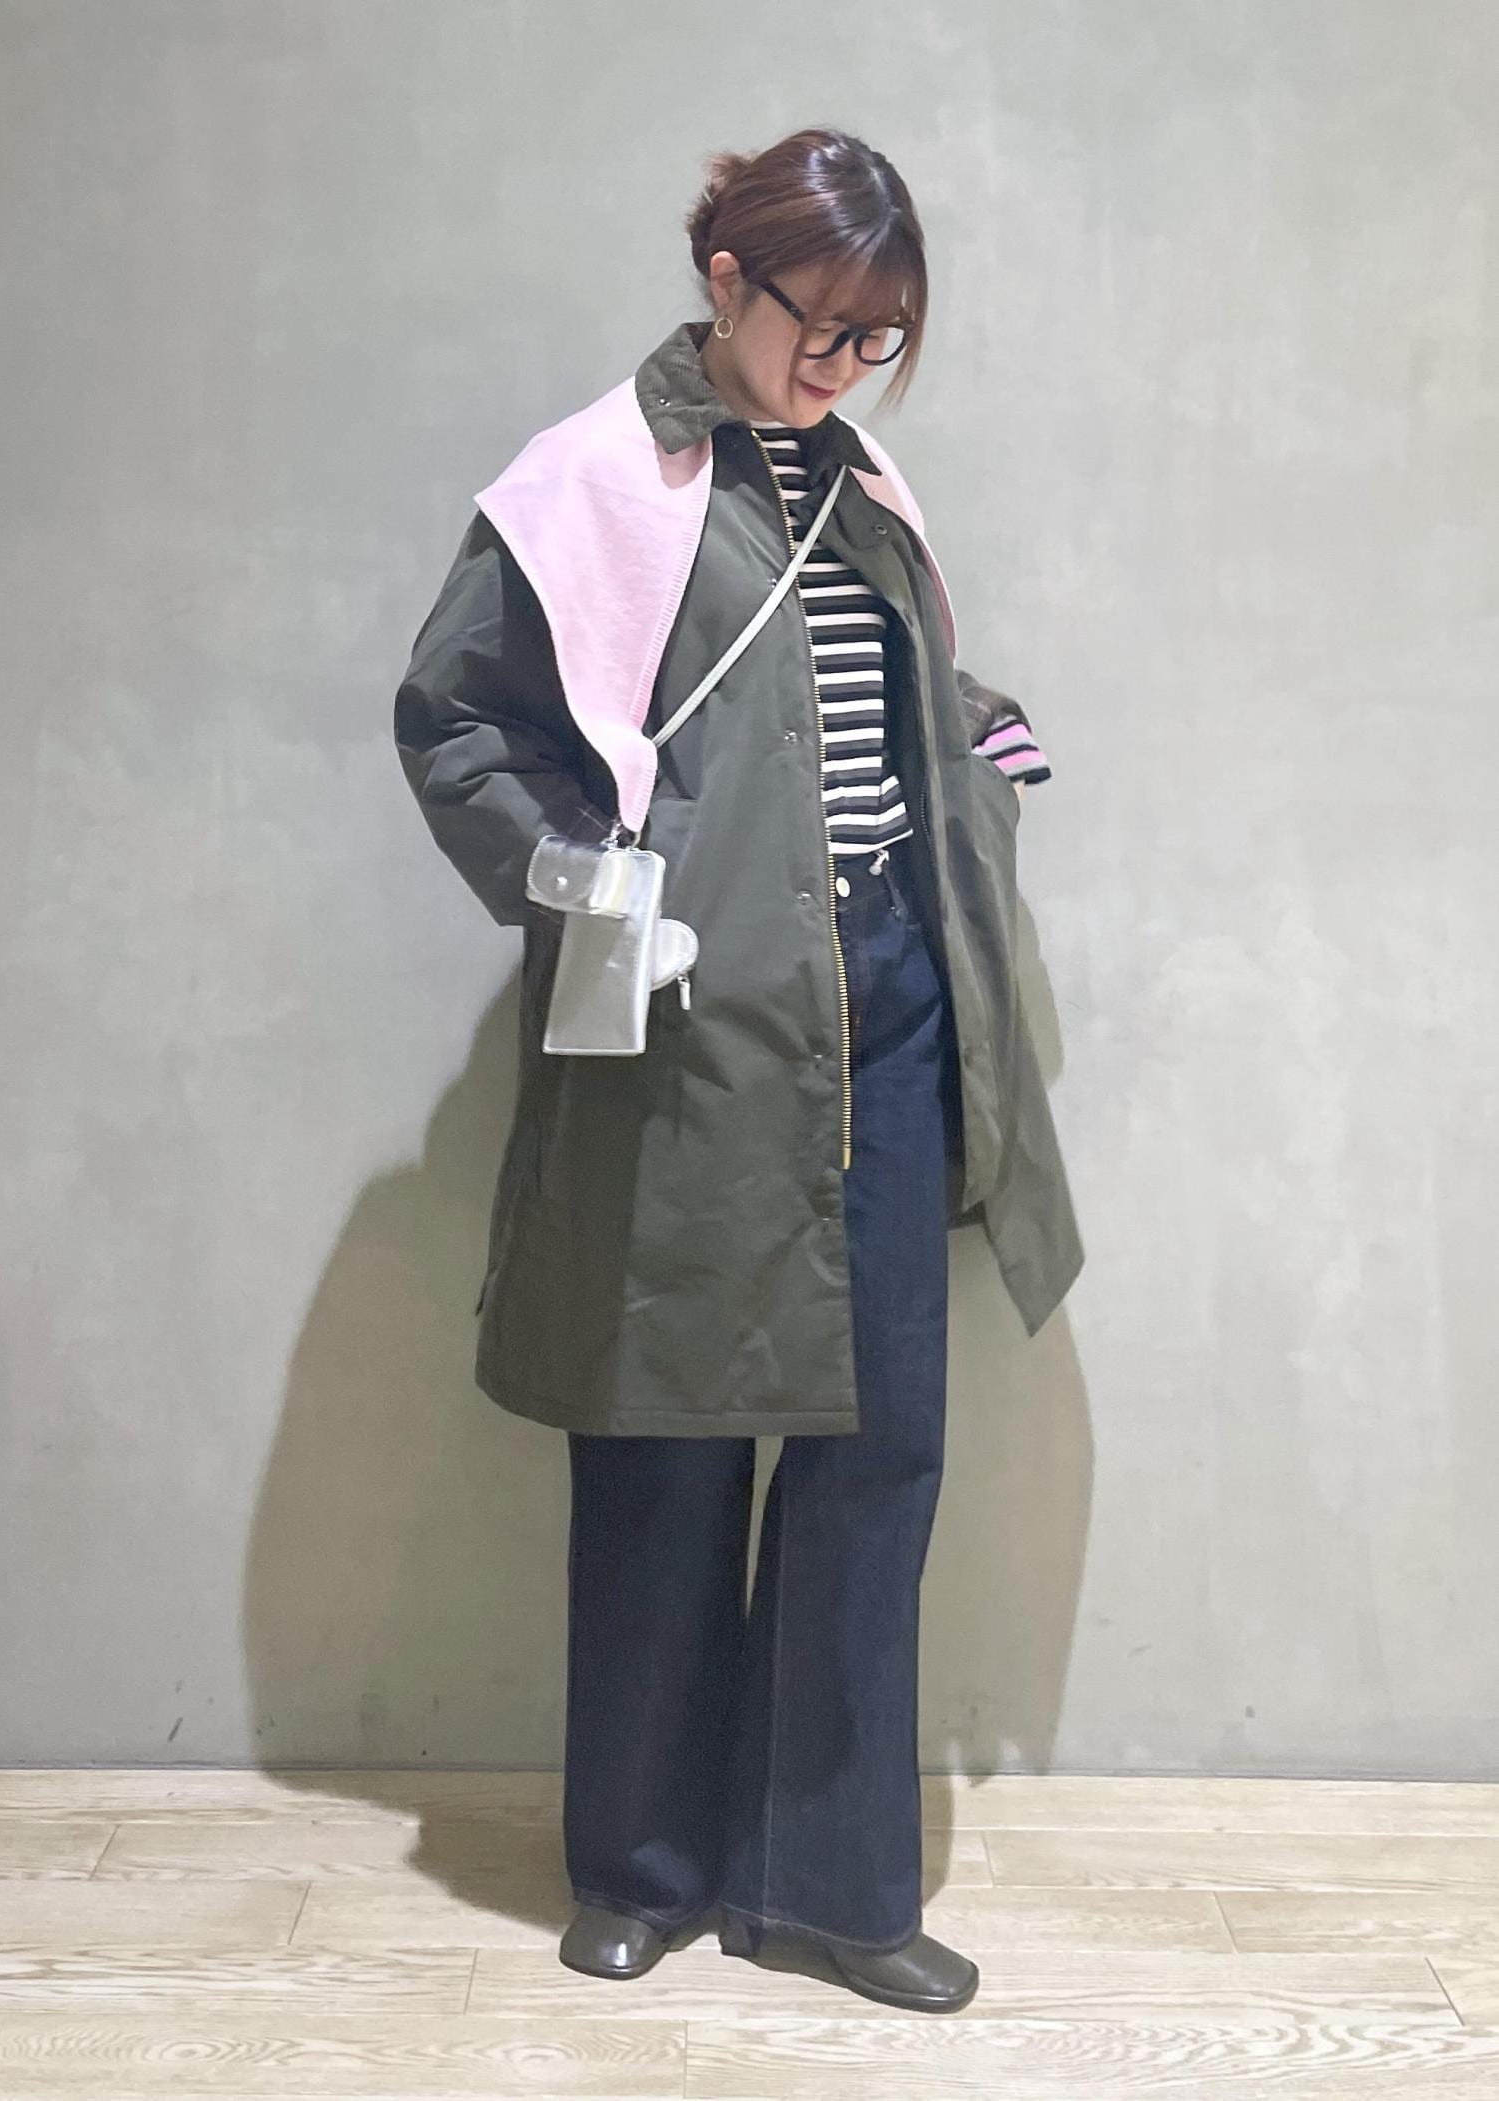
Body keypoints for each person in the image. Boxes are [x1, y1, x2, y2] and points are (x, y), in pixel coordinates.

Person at [393, 126, 1084, 2015]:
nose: (842, 367)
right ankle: (642, 1864)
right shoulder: (589, 483)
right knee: (666, 1434)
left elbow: (854, 702)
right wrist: (566, 872)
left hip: (891, 1006)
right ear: (726, 277)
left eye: (881, 339)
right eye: (820, 325)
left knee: (878, 1448)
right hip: (692, 1027)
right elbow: (459, 720)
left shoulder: (866, 481)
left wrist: (977, 736)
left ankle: (834, 1884)